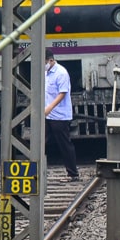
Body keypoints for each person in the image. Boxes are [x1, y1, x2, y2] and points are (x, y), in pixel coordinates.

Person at [45, 49, 79, 182]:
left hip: (60, 116)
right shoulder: (45, 73)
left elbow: (62, 93)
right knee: (40, 143)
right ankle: (36, 172)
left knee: (64, 144)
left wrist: (50, 107)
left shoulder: (61, 73)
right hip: (47, 115)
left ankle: (73, 174)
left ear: (50, 60)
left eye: (44, 62)